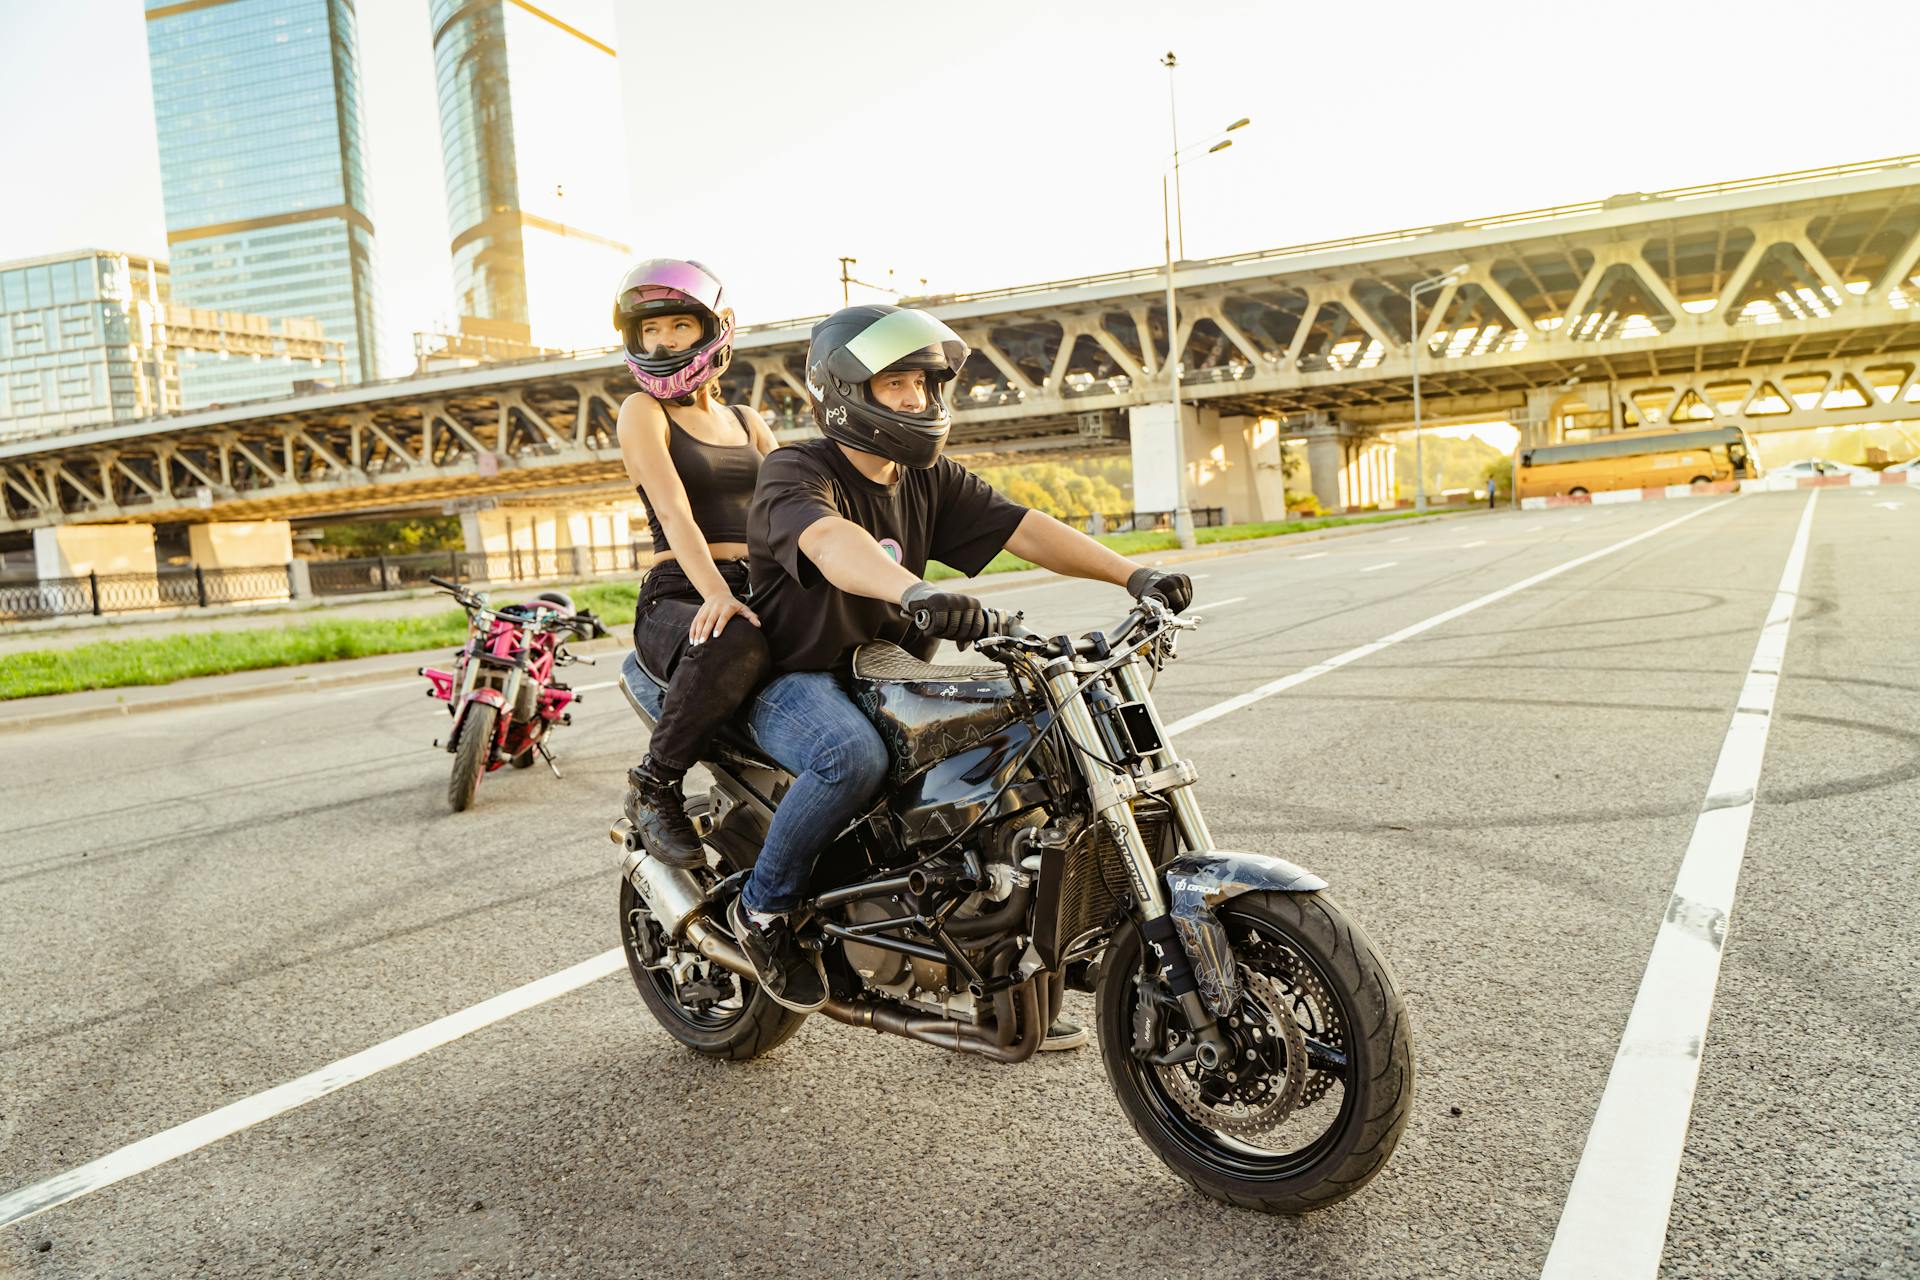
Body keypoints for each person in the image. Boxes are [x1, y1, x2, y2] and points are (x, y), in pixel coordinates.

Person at [727, 304, 1192, 1018]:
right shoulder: (797, 470)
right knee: (851, 757)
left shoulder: (929, 477)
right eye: (896, 383)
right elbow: (829, 544)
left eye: (922, 381)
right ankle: (762, 910)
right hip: (796, 677)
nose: (917, 398)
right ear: (845, 390)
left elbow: (1022, 528)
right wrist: (913, 590)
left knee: (1024, 747)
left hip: (891, 674)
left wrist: (1133, 575)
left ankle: (993, 959)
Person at [614, 259, 779, 868]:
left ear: (715, 329)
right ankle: (654, 787)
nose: (661, 342)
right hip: (680, 591)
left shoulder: (748, 422)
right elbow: (676, 512)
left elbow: (797, 509)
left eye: (678, 327)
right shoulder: (643, 411)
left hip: (759, 583)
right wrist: (716, 594)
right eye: (650, 331)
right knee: (732, 636)